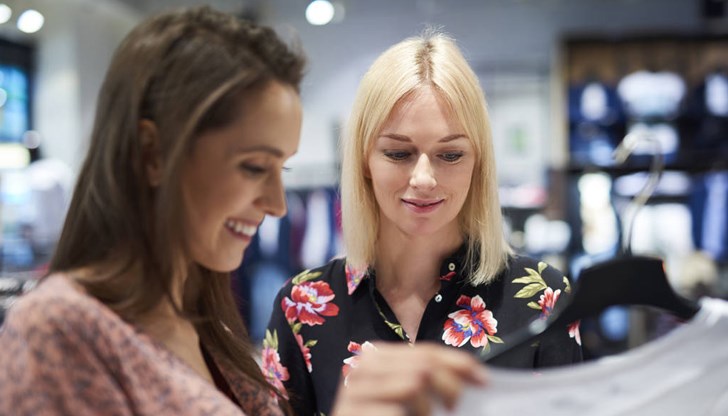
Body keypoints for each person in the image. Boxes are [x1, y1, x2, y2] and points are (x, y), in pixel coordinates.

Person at [0, 7, 486, 416]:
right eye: (254, 167)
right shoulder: (60, 329)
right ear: (153, 155)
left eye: (282, 169)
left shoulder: (203, 322)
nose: (277, 204)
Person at [265, 31, 583, 415]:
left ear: (477, 163)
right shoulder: (302, 307)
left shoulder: (541, 298)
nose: (423, 178)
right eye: (398, 153)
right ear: (364, 160)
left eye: (450, 155)